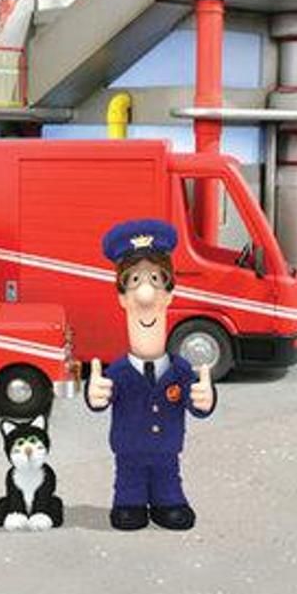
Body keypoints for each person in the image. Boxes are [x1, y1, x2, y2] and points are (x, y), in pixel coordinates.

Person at [85, 219, 216, 531]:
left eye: (155, 279)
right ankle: (129, 502)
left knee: (168, 480)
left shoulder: (180, 370)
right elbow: (102, 400)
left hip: (167, 450)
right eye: (134, 281)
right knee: (128, 485)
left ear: (169, 294)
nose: (145, 293)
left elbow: (197, 406)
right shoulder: (118, 371)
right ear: (122, 298)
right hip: (128, 450)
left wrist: (205, 400)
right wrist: (95, 396)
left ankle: (166, 501)